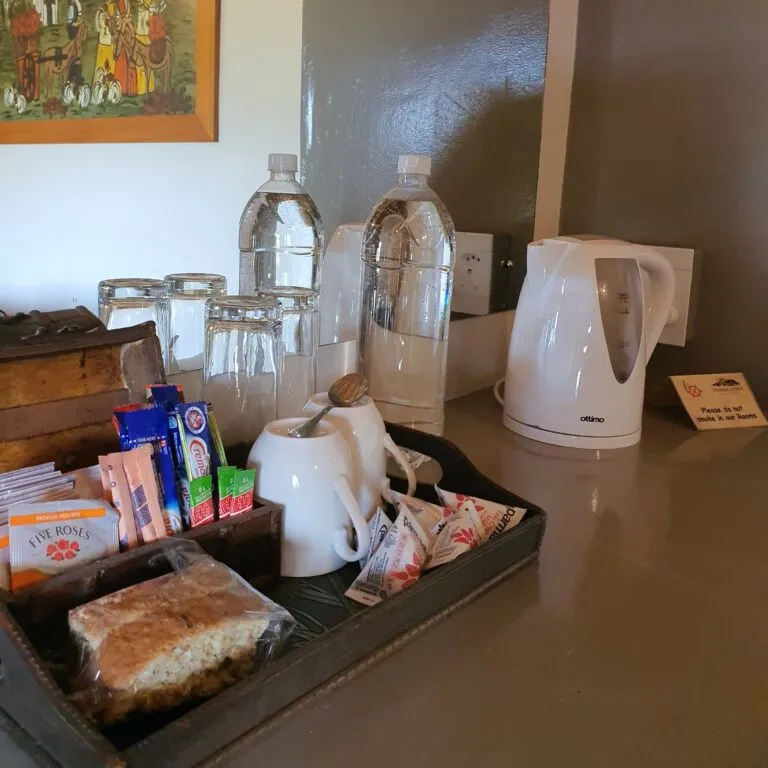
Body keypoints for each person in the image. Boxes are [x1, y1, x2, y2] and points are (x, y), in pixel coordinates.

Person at [94, 3, 115, 85]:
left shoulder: (111, 18)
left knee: (110, 66)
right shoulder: (102, 15)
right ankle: (98, 82)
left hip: (109, 44)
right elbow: (99, 27)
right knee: (100, 65)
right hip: (102, 43)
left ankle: (110, 84)